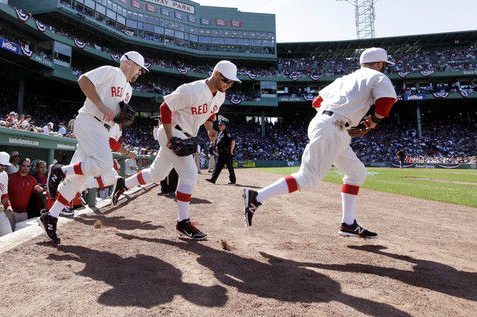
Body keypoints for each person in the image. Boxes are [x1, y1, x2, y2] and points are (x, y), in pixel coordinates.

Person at [243, 48, 397, 239]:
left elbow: (317, 102)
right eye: (384, 65)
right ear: (380, 64)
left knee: (356, 172)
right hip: (334, 127)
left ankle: (348, 224)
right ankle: (257, 197)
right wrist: (372, 121)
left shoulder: (345, 79)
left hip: (328, 125)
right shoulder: (378, 77)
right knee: (307, 179)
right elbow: (386, 102)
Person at [115, 60, 240, 240]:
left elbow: (210, 113)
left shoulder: (220, 95)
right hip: (171, 130)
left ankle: (123, 184)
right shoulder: (192, 89)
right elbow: (165, 108)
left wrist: (210, 129)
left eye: (232, 83)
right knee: (190, 175)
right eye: (227, 81)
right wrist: (170, 137)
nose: (229, 85)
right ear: (216, 75)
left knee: (156, 174)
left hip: (186, 134)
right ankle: (183, 222)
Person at [41, 51, 148, 243]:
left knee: (77, 179)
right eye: (139, 68)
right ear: (130, 64)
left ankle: (50, 216)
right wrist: (100, 105)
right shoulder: (112, 71)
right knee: (105, 165)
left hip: (103, 128)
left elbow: (114, 113)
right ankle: (59, 170)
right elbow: (83, 80)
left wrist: (118, 119)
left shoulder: (128, 90)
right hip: (89, 120)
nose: (140, 73)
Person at [7, 158, 44, 230]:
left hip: (23, 213)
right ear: (19, 166)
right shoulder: (10, 177)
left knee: (21, 234)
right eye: (24, 165)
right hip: (10, 212)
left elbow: (37, 190)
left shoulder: (32, 179)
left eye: (28, 166)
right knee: (8, 234)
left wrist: (39, 189)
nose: (26, 168)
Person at [206, 120, 236, 184]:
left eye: (221, 125)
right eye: (219, 125)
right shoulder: (220, 133)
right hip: (221, 153)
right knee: (217, 167)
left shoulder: (226, 132)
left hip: (227, 153)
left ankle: (233, 180)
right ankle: (213, 179)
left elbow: (233, 141)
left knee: (230, 167)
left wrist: (231, 150)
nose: (219, 126)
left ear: (225, 126)